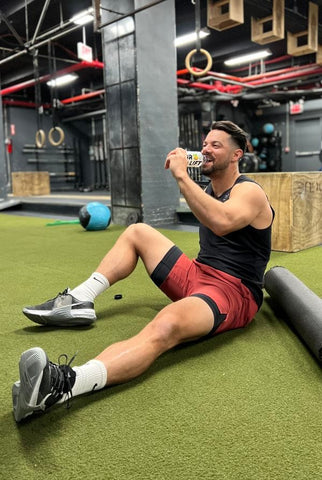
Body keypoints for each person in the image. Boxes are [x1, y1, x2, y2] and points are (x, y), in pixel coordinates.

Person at [12, 120, 274, 422]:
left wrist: (180, 176)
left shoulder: (249, 191)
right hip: (198, 274)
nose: (206, 149)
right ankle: (81, 300)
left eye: (216, 145)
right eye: (205, 144)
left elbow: (223, 222)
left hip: (232, 293)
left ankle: (64, 385)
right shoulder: (207, 189)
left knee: (166, 324)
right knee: (137, 232)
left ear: (236, 155)